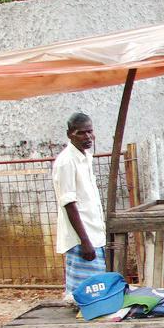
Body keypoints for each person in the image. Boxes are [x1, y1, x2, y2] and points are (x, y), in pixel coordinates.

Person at [52, 113, 107, 300]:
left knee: (97, 290)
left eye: (90, 131)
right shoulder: (67, 161)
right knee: (82, 294)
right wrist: (85, 241)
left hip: (94, 234)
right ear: (70, 134)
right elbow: (69, 204)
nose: (88, 137)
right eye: (81, 133)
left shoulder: (85, 158)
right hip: (81, 239)